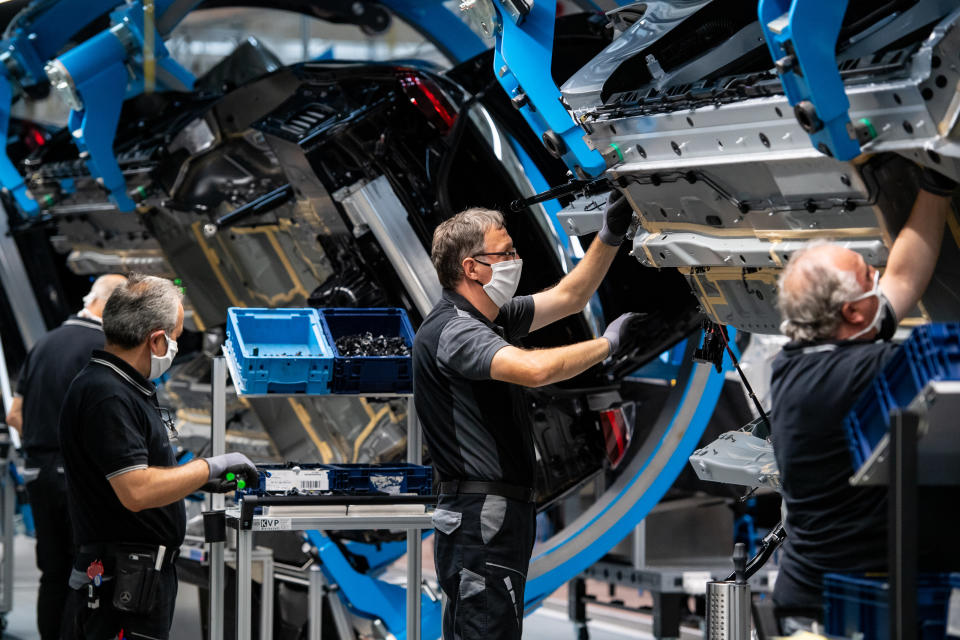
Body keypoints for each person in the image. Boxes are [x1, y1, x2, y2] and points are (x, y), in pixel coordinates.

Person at [412, 196, 641, 640]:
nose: (516, 261)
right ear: (472, 267)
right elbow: (535, 371)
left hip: (495, 514)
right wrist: (607, 346)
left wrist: (610, 234)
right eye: (506, 253)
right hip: (482, 519)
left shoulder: (489, 319)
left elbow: (569, 297)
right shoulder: (455, 331)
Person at [770, 167, 958, 622]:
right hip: (848, 614)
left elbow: (903, 278)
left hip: (827, 597)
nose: (877, 272)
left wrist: (935, 186)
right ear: (852, 312)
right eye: (865, 272)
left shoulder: (798, 360)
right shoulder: (863, 373)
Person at [58, 273, 258, 640]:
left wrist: (196, 478)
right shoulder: (108, 395)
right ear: (155, 339)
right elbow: (136, 491)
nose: (175, 349)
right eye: (176, 339)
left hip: (137, 579)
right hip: (121, 582)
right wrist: (209, 466)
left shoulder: (125, 387)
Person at [6, 273, 127, 640]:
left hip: (38, 474)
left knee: (53, 573)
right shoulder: (105, 349)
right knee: (87, 574)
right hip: (80, 481)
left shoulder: (44, 343)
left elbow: (14, 414)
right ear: (109, 307)